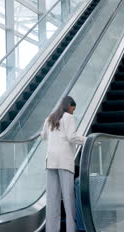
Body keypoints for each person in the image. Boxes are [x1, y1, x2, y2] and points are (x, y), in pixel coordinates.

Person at [42, 96, 86, 232]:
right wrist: (87, 139)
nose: (74, 111)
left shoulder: (49, 118)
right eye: (73, 108)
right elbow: (72, 137)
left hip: (51, 161)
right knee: (68, 198)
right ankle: (71, 229)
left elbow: (43, 136)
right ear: (69, 105)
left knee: (52, 200)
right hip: (64, 161)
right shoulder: (68, 117)